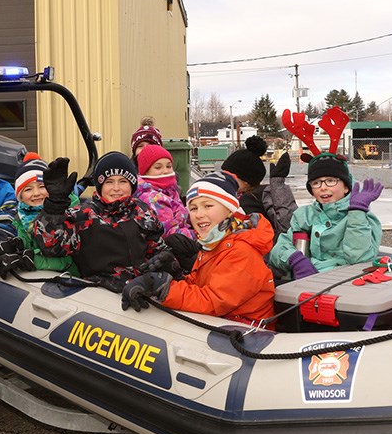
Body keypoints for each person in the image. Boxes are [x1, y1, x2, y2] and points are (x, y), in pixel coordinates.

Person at [120, 171, 275, 327]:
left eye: (208, 206)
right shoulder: (215, 244)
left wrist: (164, 288)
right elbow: (202, 284)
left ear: (230, 210)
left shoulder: (241, 250)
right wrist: (177, 275)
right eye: (193, 208)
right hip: (225, 325)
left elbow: (213, 301)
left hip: (248, 333)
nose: (199, 214)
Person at [33, 151, 168, 292]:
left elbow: (157, 249)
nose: (116, 188)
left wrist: (166, 262)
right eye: (109, 182)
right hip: (99, 295)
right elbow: (51, 245)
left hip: (141, 290)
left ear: (132, 185)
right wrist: (55, 204)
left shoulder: (143, 212)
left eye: (123, 181)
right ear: (100, 186)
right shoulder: (83, 216)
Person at [268, 152, 383, 280]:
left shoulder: (363, 216)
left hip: (346, 283)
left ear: (346, 186)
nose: (323, 187)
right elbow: (278, 250)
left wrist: (357, 212)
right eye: (316, 183)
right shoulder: (304, 216)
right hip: (306, 282)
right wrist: (295, 259)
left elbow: (359, 258)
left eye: (330, 181)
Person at [0, 153, 79, 278]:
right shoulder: (22, 218)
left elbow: (67, 259)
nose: (36, 193)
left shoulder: (68, 211)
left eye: (42, 187)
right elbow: (29, 243)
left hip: (75, 279)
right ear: (20, 197)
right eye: (28, 189)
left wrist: (29, 260)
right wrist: (15, 245)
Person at [221, 135, 297, 238]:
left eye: (230, 175)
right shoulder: (226, 195)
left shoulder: (257, 197)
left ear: (246, 180)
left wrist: (277, 185)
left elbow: (287, 225)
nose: (225, 179)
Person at [134, 144, 194, 237]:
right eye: (158, 167)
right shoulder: (153, 198)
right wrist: (200, 235)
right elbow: (169, 233)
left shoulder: (171, 190)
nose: (165, 171)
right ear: (145, 171)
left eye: (169, 166)